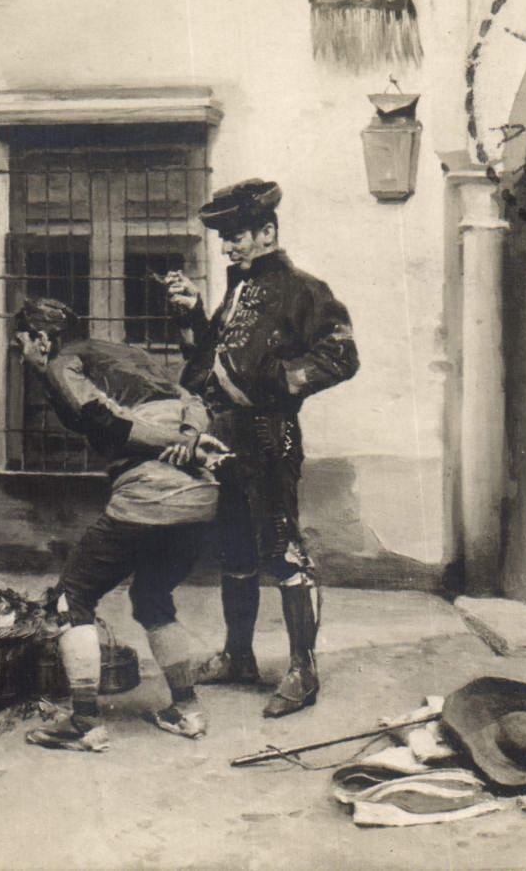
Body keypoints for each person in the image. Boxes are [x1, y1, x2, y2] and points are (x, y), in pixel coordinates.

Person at [163, 179, 358, 718]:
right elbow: (205, 364)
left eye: (237, 236)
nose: (228, 247)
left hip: (273, 437)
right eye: (225, 238)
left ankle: (303, 670)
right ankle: (239, 656)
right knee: (235, 551)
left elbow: (341, 356)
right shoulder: (237, 292)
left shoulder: (303, 290)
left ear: (267, 232)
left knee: (282, 550)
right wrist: (192, 314)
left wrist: (278, 380)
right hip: (226, 441)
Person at [13, 297, 233, 753]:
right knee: (151, 597)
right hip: (201, 500)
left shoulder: (64, 363)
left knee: (71, 598)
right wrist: (189, 437)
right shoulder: (128, 356)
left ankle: (84, 723)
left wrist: (182, 444)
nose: (21, 356)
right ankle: (187, 710)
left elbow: (104, 420)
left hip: (150, 496)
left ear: (42, 339)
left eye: (22, 345)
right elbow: (192, 400)